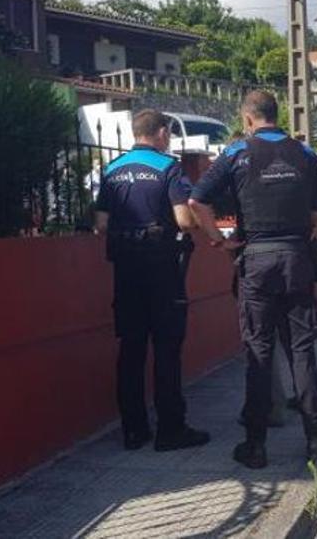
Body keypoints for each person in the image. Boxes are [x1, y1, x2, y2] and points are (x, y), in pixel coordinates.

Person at [188, 90, 317, 469]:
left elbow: (196, 202)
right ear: (277, 114)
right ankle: (316, 441)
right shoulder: (305, 154)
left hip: (255, 260)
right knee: (301, 349)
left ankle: (255, 445)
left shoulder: (236, 154)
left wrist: (219, 240)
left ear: (248, 118)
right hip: (298, 259)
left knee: (258, 351)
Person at [94, 109, 211, 452]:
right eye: (169, 134)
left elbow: (101, 223)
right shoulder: (167, 167)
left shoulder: (112, 170)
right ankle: (170, 429)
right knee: (166, 350)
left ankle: (133, 430)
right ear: (160, 132)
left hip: (125, 271)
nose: (170, 140)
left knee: (130, 350)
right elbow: (184, 220)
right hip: (161, 270)